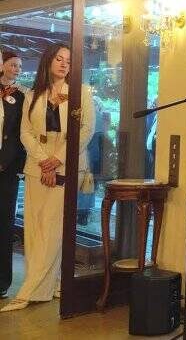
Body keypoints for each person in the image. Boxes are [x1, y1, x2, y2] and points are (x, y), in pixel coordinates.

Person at [1, 44, 94, 312]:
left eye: (68, 61)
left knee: (53, 230)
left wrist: (58, 160)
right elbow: (25, 132)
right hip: (36, 166)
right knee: (34, 229)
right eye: (59, 59)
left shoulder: (81, 92)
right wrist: (44, 161)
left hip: (66, 163)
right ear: (48, 61)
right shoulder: (32, 94)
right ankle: (53, 285)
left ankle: (30, 291)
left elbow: (86, 130)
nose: (64, 64)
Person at [0, 51, 27, 299]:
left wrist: (18, 166)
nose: (16, 69)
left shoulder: (21, 96)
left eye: (19, 66)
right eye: (12, 64)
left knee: (5, 223)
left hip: (7, 169)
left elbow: (22, 133)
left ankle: (2, 282)